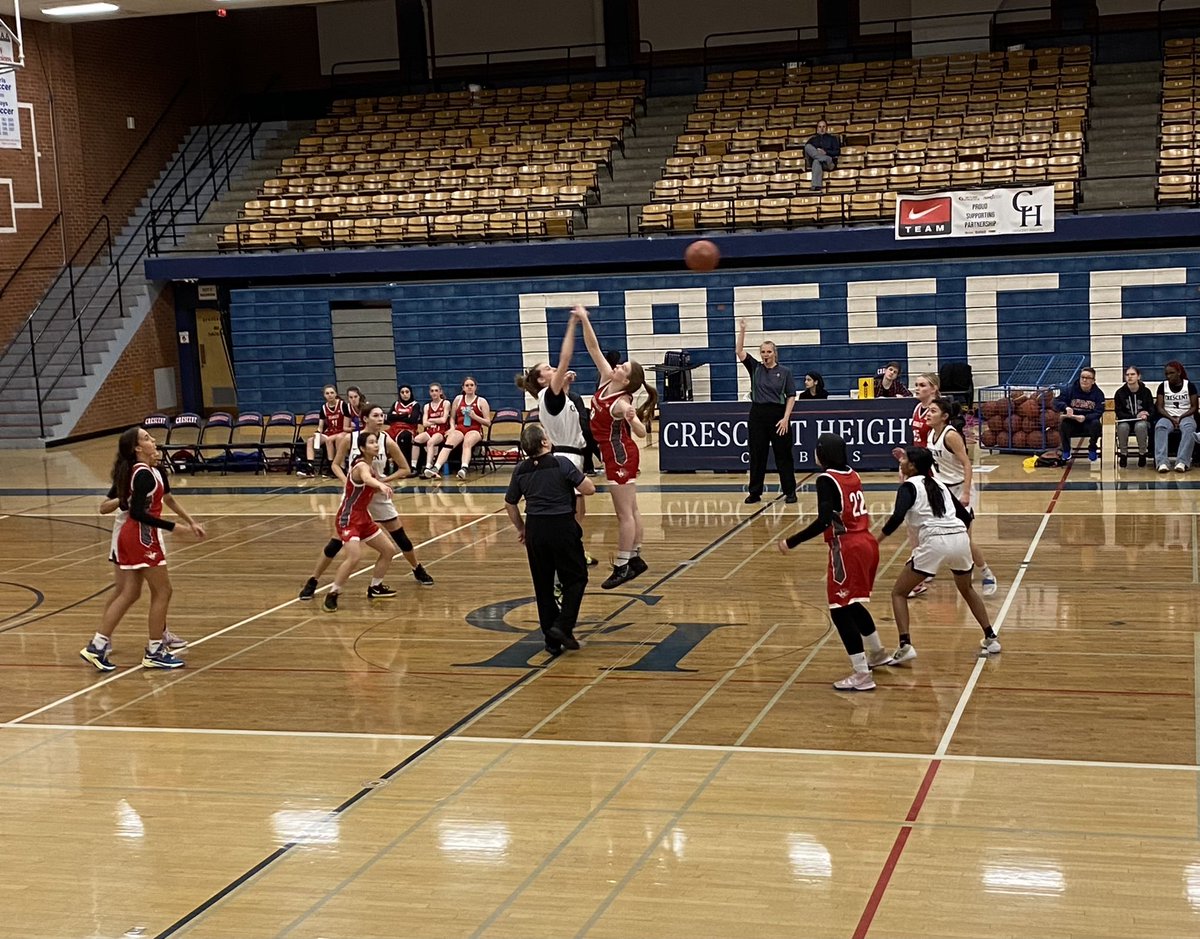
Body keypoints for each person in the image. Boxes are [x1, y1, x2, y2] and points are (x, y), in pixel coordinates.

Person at [80, 427, 206, 671]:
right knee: (162, 591)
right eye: (147, 438)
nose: (153, 440)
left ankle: (98, 645)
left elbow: (159, 503)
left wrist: (188, 522)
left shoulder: (149, 471)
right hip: (141, 537)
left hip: (136, 536)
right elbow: (137, 513)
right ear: (137, 448)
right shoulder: (142, 474)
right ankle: (155, 650)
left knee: (131, 592)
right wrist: (174, 528)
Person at [776, 434, 886, 691]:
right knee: (852, 603)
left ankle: (862, 674)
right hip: (867, 542)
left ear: (823, 453)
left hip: (847, 548)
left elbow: (824, 520)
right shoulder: (853, 474)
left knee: (839, 609)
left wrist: (792, 541)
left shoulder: (826, 479)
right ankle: (878, 653)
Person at [878, 446, 1001, 665]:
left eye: (904, 459)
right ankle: (991, 638)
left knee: (899, 593)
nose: (901, 462)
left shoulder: (908, 487)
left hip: (934, 541)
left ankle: (905, 646)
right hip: (960, 538)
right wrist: (957, 537)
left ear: (912, 466)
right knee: (967, 589)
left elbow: (896, 517)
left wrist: (876, 540)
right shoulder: (941, 485)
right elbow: (965, 517)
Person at [299, 404, 433, 600]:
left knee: (401, 538)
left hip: (377, 494)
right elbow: (336, 465)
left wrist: (383, 481)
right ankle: (313, 580)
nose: (380, 419)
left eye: (382, 416)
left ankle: (417, 568)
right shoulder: (351, 438)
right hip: (355, 497)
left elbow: (404, 468)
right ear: (365, 418)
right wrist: (347, 482)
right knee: (334, 544)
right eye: (376, 416)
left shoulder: (386, 440)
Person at [504, 422, 597, 655]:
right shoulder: (561, 463)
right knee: (576, 578)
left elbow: (510, 503)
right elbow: (589, 489)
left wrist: (522, 528)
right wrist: (580, 477)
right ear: (545, 442)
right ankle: (563, 626)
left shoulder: (520, 470)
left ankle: (551, 641)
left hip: (536, 529)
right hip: (562, 526)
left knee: (543, 585)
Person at [517, 310, 599, 566]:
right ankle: (566, 556)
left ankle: (572, 551)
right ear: (542, 380)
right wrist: (573, 324)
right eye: (548, 369)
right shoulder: (548, 395)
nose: (554, 369)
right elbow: (565, 357)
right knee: (572, 514)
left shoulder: (557, 397)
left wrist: (565, 384)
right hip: (566, 457)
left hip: (569, 455)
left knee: (576, 512)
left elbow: (563, 410)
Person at [576, 303, 649, 589]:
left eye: (623, 367)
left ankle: (622, 565)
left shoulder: (621, 403)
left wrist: (632, 418)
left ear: (626, 380)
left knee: (624, 514)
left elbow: (641, 432)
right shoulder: (608, 379)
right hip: (613, 453)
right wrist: (584, 319)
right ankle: (636, 557)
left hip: (620, 456)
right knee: (632, 509)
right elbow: (593, 348)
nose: (617, 366)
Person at [926, 397, 998, 597]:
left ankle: (987, 573)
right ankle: (934, 570)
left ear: (944, 416)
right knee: (937, 533)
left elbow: (967, 464)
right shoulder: (931, 434)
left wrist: (966, 492)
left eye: (933, 411)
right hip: (943, 490)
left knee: (964, 538)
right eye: (928, 410)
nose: (928, 414)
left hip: (960, 489)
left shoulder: (950, 436)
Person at [321, 431, 399, 613]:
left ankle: (375, 587)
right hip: (348, 518)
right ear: (362, 448)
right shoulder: (361, 466)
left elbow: (367, 485)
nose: (376, 445)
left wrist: (381, 487)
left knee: (388, 550)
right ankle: (333, 593)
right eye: (371, 443)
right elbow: (366, 479)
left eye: (376, 442)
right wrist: (379, 484)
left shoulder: (370, 466)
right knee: (354, 557)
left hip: (363, 517)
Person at [735, 317, 798, 505]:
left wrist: (786, 418)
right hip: (758, 415)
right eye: (763, 352)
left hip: (778, 416)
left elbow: (791, 396)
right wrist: (743, 330)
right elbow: (739, 351)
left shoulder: (785, 372)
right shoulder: (755, 368)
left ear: (775, 353)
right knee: (757, 456)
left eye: (769, 351)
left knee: (783, 456)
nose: (765, 355)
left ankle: (790, 492)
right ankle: (754, 492)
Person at [429, 376, 492, 480]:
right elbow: (452, 418)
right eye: (467, 385)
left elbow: (488, 423)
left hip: (474, 429)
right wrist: (452, 428)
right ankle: (436, 467)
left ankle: (464, 468)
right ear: (463, 387)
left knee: (467, 442)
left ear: (475, 387)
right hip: (460, 428)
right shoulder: (458, 399)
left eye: (471, 385)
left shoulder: (481, 401)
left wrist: (475, 416)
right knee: (449, 443)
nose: (469, 387)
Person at [1053, 366, 1105, 463]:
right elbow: (1056, 401)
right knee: (1064, 424)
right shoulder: (1070, 389)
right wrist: (1066, 407)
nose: (1084, 380)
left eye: (1088, 378)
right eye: (1082, 377)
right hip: (1073, 422)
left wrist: (1085, 417)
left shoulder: (1099, 394)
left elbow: (1099, 412)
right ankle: (1066, 449)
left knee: (1096, 424)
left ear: (1093, 381)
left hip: (1088, 422)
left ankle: (1092, 447)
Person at [1154, 360, 1198, 473]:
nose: (1168, 376)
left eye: (1171, 373)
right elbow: (1160, 407)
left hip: (1186, 415)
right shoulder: (1162, 386)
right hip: (1168, 416)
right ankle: (1162, 462)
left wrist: (1181, 417)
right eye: (1166, 374)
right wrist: (1172, 418)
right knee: (1160, 427)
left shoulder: (1190, 386)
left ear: (1179, 372)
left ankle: (1182, 462)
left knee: (1190, 428)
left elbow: (1194, 407)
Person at [300, 384, 351, 477]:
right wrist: (317, 433)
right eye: (327, 393)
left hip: (341, 431)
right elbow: (320, 426)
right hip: (330, 432)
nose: (330, 395)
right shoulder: (324, 408)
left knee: (328, 440)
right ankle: (310, 468)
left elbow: (346, 426)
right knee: (311, 440)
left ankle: (331, 467)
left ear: (336, 394)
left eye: (332, 393)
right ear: (324, 395)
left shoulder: (343, 405)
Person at [1114, 365, 1154, 468]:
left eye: (1132, 374)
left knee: (1140, 426)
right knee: (1122, 427)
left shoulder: (1146, 392)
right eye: (1127, 375)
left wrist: (1146, 415)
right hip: (1126, 420)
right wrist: (1135, 416)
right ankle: (1123, 454)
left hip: (1142, 421)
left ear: (1138, 376)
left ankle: (1142, 453)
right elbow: (1119, 412)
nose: (1130, 377)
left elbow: (1152, 410)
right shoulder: (1119, 393)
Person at [415, 383, 451, 476]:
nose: (434, 393)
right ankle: (414, 466)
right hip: (429, 431)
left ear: (440, 392)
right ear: (429, 393)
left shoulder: (445, 403)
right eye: (432, 391)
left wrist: (431, 420)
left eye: (436, 390)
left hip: (441, 432)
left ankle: (428, 466)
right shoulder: (427, 406)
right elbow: (424, 423)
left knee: (430, 442)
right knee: (417, 439)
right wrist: (436, 420)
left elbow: (443, 420)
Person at [386, 384, 421, 461]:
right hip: (394, 429)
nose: (405, 394)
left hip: (409, 429)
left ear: (410, 393)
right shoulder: (396, 404)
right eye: (402, 392)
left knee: (404, 437)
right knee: (382, 436)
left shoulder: (415, 405)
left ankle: (405, 463)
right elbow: (389, 417)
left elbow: (412, 420)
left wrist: (397, 416)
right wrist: (405, 415)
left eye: (407, 392)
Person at [804, 118, 840, 191]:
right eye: (820, 127)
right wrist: (817, 153)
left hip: (828, 163)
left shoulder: (832, 138)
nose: (822, 129)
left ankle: (824, 158)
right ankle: (817, 186)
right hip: (818, 163)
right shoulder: (812, 139)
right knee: (808, 148)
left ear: (827, 128)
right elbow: (806, 151)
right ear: (817, 128)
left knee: (817, 160)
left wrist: (826, 152)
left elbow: (837, 152)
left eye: (824, 127)